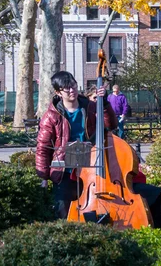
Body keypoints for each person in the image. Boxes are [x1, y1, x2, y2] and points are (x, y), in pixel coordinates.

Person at [35, 71, 118, 219]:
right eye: (66, 88)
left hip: (90, 168)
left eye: (73, 85)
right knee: (64, 212)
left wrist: (104, 103)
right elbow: (42, 148)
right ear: (58, 92)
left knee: (92, 211)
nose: (72, 90)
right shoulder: (51, 116)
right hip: (64, 172)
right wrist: (43, 177)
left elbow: (111, 124)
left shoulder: (91, 107)